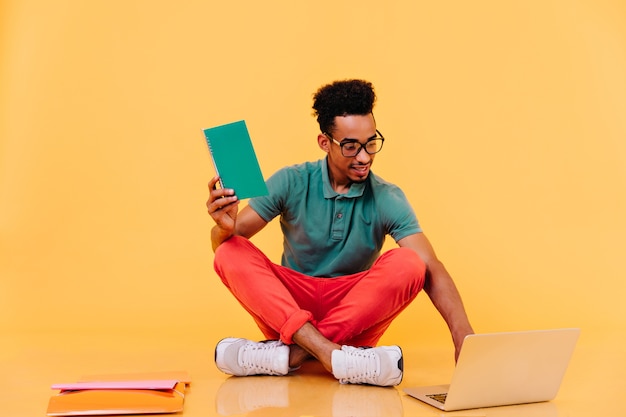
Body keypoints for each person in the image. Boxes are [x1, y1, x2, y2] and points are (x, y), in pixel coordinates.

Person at [206, 79, 474, 387]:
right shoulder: (291, 181)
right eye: (350, 146)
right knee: (229, 249)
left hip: (353, 316)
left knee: (411, 263)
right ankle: (332, 355)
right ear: (324, 142)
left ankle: (287, 356)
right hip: (290, 308)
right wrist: (222, 229)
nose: (364, 157)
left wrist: (462, 333)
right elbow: (227, 250)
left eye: (371, 143)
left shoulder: (387, 196)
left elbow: (431, 267)